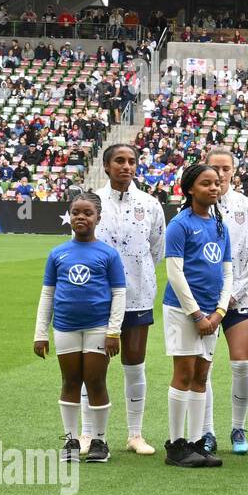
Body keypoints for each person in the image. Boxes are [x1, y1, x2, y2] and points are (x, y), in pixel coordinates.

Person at [34, 191, 125, 462]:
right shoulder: (57, 254)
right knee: (70, 381)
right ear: (69, 216)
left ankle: (99, 441)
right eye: (76, 213)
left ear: (98, 218)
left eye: (87, 213)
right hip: (65, 327)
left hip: (98, 327)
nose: (81, 217)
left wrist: (113, 331)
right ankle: (70, 441)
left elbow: (119, 294)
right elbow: (47, 294)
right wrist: (41, 333)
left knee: (96, 381)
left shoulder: (108, 254)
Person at [92, 143, 165, 456]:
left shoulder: (150, 204)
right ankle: (90, 435)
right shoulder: (92, 201)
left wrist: (138, 274)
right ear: (107, 166)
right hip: (96, 297)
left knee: (135, 363)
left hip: (137, 295)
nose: (126, 166)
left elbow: (157, 249)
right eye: (119, 161)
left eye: (131, 161)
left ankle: (135, 434)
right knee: (93, 367)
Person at [162, 164, 233, 469]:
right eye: (206, 183)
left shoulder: (220, 226)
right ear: (190, 189)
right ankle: (176, 444)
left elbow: (228, 271)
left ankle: (195, 443)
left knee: (202, 376)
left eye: (217, 183)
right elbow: (175, 273)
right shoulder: (180, 224)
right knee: (185, 373)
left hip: (211, 314)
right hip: (183, 311)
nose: (214, 188)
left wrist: (218, 312)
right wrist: (196, 314)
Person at [198, 146, 248, 455]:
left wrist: (233, 293)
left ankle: (239, 427)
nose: (221, 174)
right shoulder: (197, 208)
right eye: (216, 168)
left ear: (233, 171)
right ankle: (207, 431)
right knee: (203, 367)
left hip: (240, 297)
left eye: (226, 168)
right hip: (206, 300)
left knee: (241, 363)